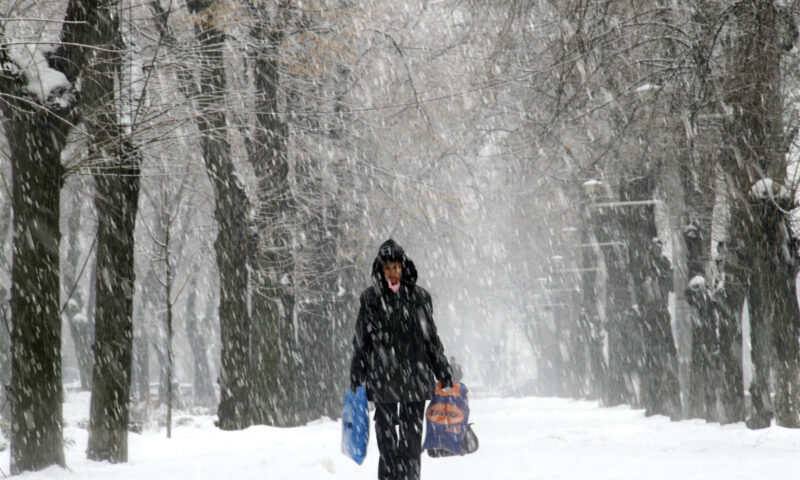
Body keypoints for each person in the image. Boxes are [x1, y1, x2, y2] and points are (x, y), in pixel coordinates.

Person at [350, 239, 452, 480]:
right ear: (380, 270)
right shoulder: (370, 300)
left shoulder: (419, 298)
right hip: (383, 378)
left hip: (414, 379)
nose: (392, 272)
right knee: (386, 442)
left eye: (396, 267)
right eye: (387, 268)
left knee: (411, 442)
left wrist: (443, 369)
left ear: (404, 267)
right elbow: (361, 342)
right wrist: (357, 374)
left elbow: (431, 338)